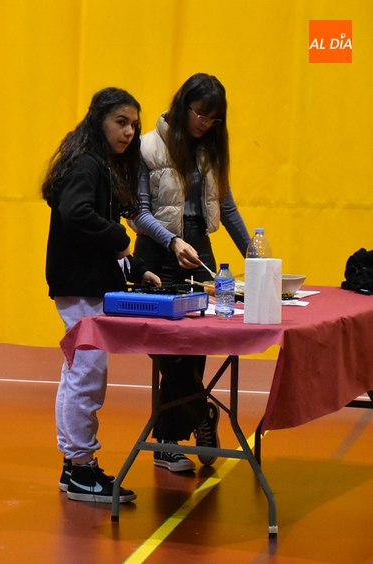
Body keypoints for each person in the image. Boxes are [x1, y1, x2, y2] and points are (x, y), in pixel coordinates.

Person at [43, 87, 160, 504]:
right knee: (87, 376)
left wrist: (134, 267)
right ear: (99, 120)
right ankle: (80, 469)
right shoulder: (88, 164)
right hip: (80, 285)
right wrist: (118, 234)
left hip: (88, 282)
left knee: (78, 372)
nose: (129, 132)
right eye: (120, 122)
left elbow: (103, 238)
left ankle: (73, 466)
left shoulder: (100, 164)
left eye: (133, 124)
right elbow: (77, 214)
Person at [130, 73, 250, 472]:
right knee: (167, 350)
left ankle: (166, 442)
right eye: (201, 114)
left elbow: (226, 206)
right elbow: (140, 213)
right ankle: (201, 416)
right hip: (159, 252)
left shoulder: (212, 149)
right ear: (183, 106)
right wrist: (171, 242)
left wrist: (254, 253)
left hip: (201, 249)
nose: (205, 123)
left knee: (196, 348)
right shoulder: (147, 146)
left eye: (214, 119)